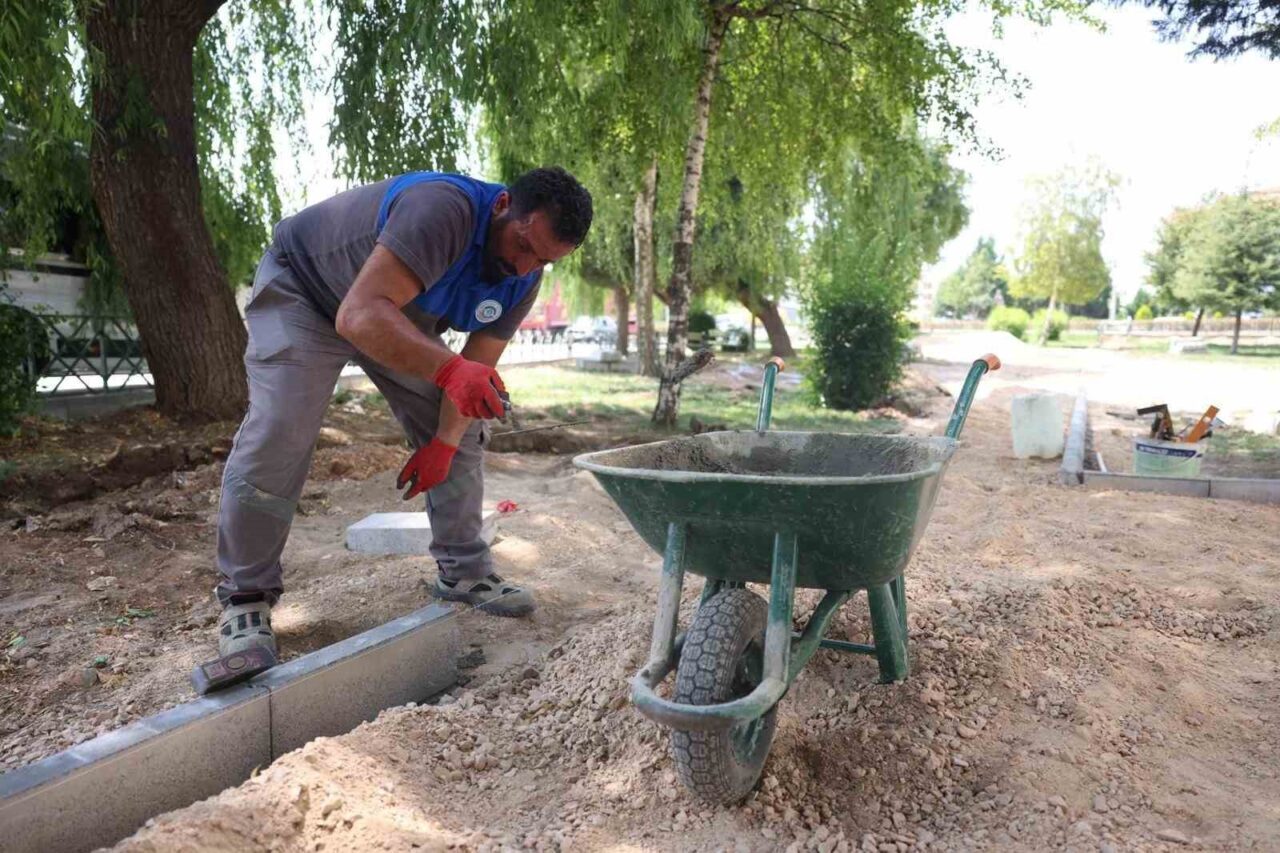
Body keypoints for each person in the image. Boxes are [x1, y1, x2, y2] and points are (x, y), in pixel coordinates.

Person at [213, 167, 593, 659]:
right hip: (306, 291)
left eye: (543, 260)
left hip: (388, 310)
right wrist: (451, 372)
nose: (524, 267)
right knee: (280, 430)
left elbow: (474, 372)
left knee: (462, 421)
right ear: (502, 206)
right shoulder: (442, 209)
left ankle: (464, 572)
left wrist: (444, 444)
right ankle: (246, 595)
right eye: (523, 245)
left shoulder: (524, 279)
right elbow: (359, 316)